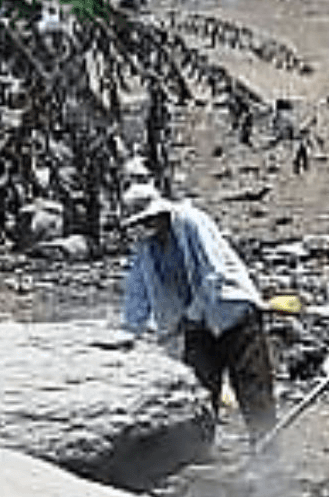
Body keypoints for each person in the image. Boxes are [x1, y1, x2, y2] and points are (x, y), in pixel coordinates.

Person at [119, 183, 278, 442]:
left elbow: (214, 273)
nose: (147, 224)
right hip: (197, 326)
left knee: (253, 390)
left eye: (149, 218)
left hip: (232, 313)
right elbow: (139, 289)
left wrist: (193, 314)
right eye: (141, 221)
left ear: (161, 212)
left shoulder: (191, 222)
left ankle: (267, 453)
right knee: (200, 394)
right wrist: (130, 330)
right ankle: (200, 451)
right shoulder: (146, 245)